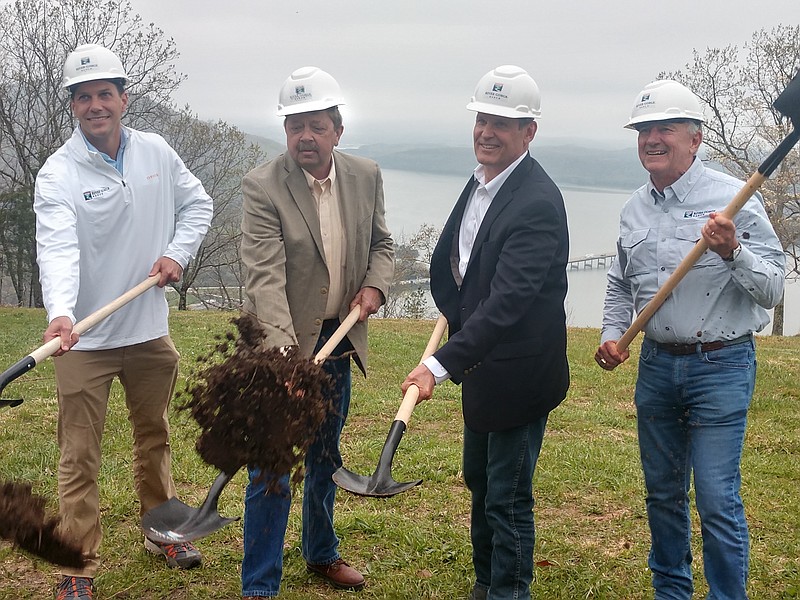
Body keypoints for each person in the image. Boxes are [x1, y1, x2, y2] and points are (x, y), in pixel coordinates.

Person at [34, 44, 213, 599]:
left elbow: (197, 204)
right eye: (83, 96)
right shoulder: (57, 173)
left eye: (104, 93)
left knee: (153, 437)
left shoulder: (156, 151)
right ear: (72, 105)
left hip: (149, 332)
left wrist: (177, 254)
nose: (95, 104)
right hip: (83, 341)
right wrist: (62, 313)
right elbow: (57, 248)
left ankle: (163, 531)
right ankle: (76, 567)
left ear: (123, 98)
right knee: (79, 456)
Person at [595, 80, 786, 599]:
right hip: (656, 366)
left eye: (666, 129)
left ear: (695, 139)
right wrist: (614, 335)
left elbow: (771, 288)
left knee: (716, 497)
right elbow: (619, 282)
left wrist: (732, 251)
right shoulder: (635, 207)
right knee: (662, 494)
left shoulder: (731, 200)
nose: (652, 139)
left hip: (720, 366)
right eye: (644, 130)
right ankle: (671, 592)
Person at [401, 65, 570, 600]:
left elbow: (510, 303)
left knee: (508, 496)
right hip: (482, 368)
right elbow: (453, 266)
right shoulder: (480, 184)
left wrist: (439, 362)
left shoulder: (537, 201)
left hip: (520, 374)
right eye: (482, 119)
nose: (487, 131)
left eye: (502, 122)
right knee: (481, 483)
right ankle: (485, 583)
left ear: (529, 132)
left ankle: (508, 592)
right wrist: (457, 318)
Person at [238, 66, 394, 598]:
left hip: (338, 337)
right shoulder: (263, 186)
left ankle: (321, 553)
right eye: (295, 125)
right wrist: (285, 357)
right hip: (278, 342)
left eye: (316, 125)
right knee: (272, 466)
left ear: (337, 129)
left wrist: (374, 288)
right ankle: (260, 584)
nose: (305, 136)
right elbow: (264, 277)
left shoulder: (365, 175)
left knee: (325, 454)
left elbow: (381, 245)